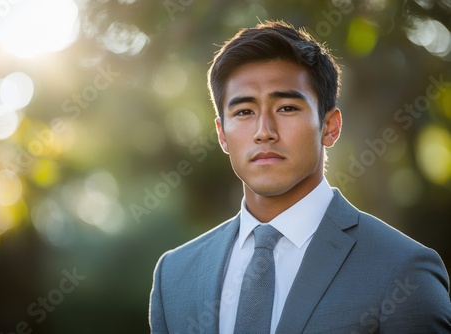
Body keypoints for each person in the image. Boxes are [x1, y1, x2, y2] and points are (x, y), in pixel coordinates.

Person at [149, 20, 451, 333]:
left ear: (330, 126)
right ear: (222, 134)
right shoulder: (174, 275)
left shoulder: (403, 271)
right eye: (244, 112)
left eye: (287, 108)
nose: (264, 132)